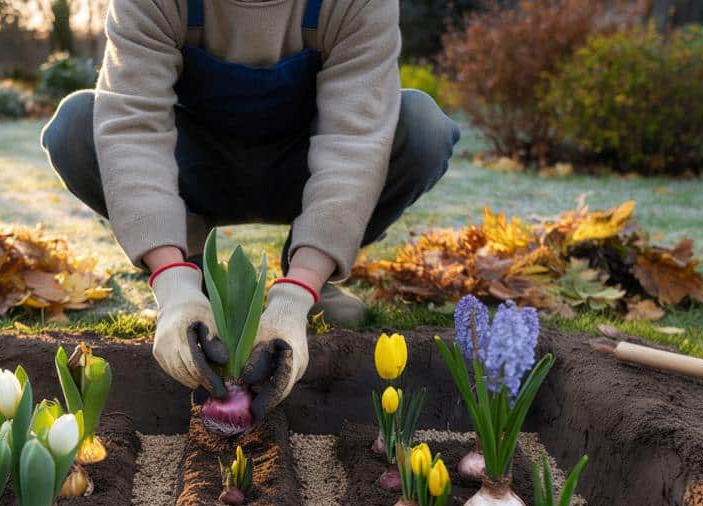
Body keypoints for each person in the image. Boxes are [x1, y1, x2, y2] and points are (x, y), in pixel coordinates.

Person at [41, 0, 459, 419]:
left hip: (302, 169)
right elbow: (132, 127)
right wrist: (171, 284)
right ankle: (190, 278)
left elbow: (356, 141)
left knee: (422, 128)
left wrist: (296, 296)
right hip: (194, 168)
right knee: (77, 127)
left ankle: (310, 272)